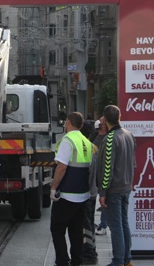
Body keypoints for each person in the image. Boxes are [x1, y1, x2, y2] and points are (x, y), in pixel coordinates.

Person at [50, 112, 94, 266]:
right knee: (76, 231)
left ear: (68, 122)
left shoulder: (67, 140)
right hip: (82, 195)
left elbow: (61, 167)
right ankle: (77, 261)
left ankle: (62, 261)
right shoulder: (86, 142)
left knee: (57, 229)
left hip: (67, 195)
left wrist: (53, 187)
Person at [96, 105, 136, 266]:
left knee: (116, 226)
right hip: (126, 186)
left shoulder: (111, 138)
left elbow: (107, 169)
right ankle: (127, 259)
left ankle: (118, 260)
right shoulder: (128, 134)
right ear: (120, 116)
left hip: (114, 189)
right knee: (124, 223)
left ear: (104, 120)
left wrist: (103, 192)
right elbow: (133, 163)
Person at [82, 118, 104, 264]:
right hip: (93, 191)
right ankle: (92, 251)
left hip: (86, 193)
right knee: (89, 222)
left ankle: (89, 254)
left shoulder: (88, 147)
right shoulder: (94, 147)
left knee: (86, 225)